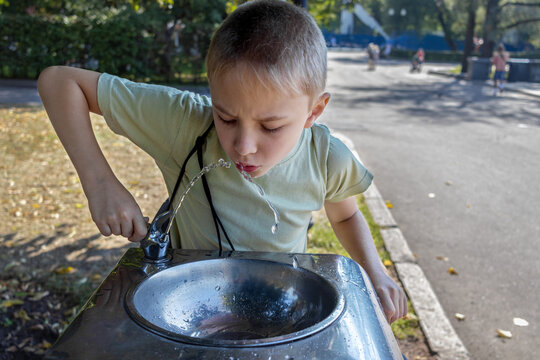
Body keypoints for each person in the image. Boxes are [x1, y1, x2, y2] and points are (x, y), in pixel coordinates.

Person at [37, 0, 407, 324]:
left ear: (314, 111)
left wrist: (374, 271)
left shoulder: (326, 158)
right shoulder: (184, 123)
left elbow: (345, 215)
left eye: (271, 126)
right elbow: (59, 81)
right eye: (226, 117)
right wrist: (100, 183)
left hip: (277, 307)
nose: (244, 146)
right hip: (190, 305)